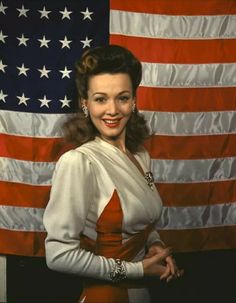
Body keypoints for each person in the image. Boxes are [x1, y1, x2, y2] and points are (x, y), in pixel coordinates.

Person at [43, 44, 183, 303]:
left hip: (142, 294)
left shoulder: (141, 156)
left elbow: (143, 223)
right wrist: (138, 269)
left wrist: (155, 245)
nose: (112, 110)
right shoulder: (78, 162)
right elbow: (58, 255)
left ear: (134, 101)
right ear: (85, 104)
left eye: (122, 97)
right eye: (100, 99)